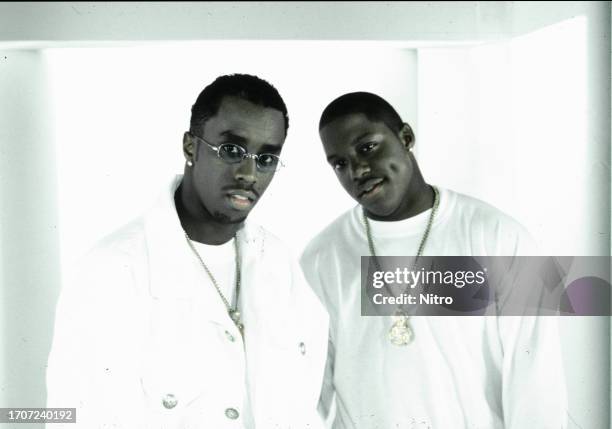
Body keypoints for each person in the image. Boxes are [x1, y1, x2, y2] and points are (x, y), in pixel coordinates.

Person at [47, 74, 328, 429]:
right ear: (190, 147)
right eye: (231, 150)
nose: (249, 173)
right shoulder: (111, 271)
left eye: (267, 158)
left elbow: (303, 409)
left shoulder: (279, 264)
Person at [300, 92, 567, 428]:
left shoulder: (500, 237)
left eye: (367, 147)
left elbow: (536, 377)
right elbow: (309, 394)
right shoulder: (321, 258)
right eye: (339, 163)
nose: (357, 170)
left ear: (406, 137)